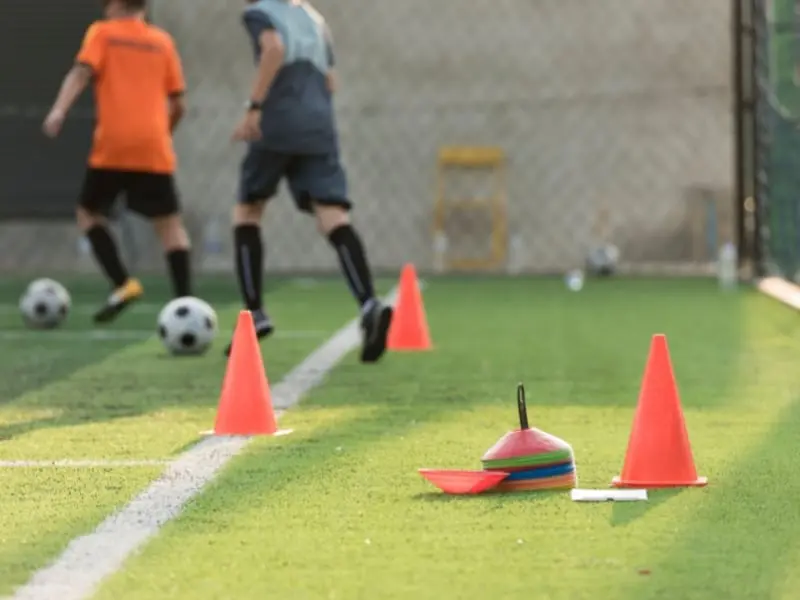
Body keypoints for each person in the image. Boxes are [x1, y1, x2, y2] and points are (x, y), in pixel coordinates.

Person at [227, 0, 393, 362]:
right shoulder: (313, 18)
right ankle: (368, 302)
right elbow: (330, 79)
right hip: (319, 126)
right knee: (333, 215)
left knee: (247, 211)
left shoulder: (259, 13)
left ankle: (254, 311)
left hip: (278, 122)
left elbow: (273, 48)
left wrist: (254, 106)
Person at [42, 0, 192, 323]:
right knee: (170, 226)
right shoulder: (162, 41)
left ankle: (123, 283)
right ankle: (185, 303)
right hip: (154, 145)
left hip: (113, 145)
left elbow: (81, 72)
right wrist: (161, 133)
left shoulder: (102, 33)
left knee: (89, 212)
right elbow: (178, 103)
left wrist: (59, 110)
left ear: (114, 5)